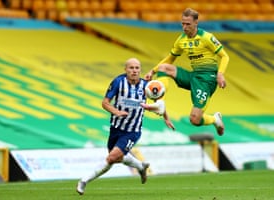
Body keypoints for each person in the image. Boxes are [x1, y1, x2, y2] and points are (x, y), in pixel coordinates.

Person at [76, 58, 175, 195]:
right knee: (116, 158)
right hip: (116, 128)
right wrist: (116, 112)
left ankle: (83, 181)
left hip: (132, 131)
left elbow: (159, 103)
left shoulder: (146, 86)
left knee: (111, 158)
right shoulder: (118, 82)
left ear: (140, 70)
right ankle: (141, 166)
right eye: (131, 68)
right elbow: (105, 103)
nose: (134, 71)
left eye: (137, 68)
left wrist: (166, 118)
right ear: (126, 69)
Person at [143, 8, 229, 136]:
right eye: (182, 23)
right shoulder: (181, 40)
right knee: (164, 68)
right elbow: (170, 58)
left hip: (207, 79)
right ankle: (160, 103)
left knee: (194, 119)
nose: (184, 27)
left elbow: (225, 56)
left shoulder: (206, 37)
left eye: (188, 24)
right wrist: (153, 71)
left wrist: (220, 74)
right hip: (193, 76)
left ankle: (215, 119)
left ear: (196, 23)